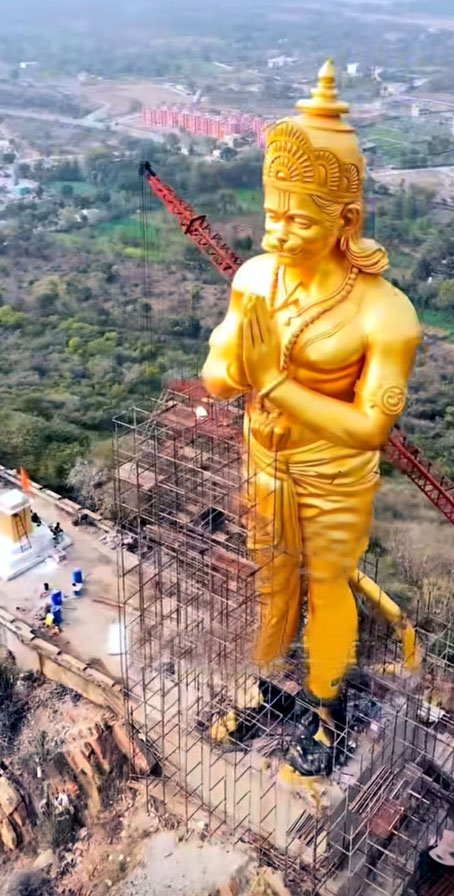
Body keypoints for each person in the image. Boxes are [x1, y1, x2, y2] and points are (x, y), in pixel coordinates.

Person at [202, 61, 421, 779]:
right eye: (273, 213)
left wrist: (273, 379)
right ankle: (268, 686)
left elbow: (370, 429)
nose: (279, 232)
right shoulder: (255, 279)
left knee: (328, 588)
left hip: (334, 477)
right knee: (270, 583)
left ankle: (325, 712)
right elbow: (216, 373)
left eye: (300, 219)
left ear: (346, 219)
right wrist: (235, 364)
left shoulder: (385, 313)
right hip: (263, 461)